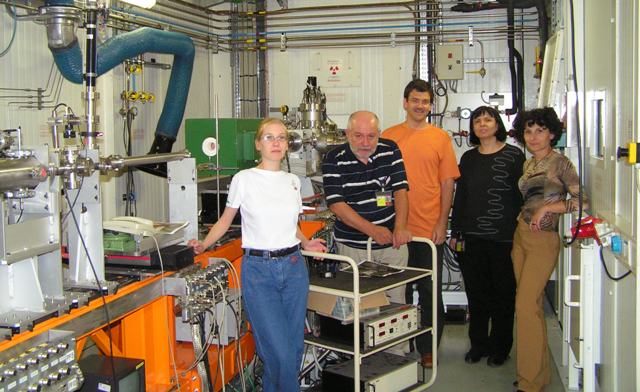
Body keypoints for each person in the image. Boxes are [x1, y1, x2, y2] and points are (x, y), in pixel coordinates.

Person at [188, 118, 326, 392]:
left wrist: (306, 243)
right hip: (260, 271)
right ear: (257, 144)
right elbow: (226, 221)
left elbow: (291, 225)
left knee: (293, 349)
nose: (276, 143)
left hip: (294, 267)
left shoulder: (292, 182)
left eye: (281, 138)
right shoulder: (244, 179)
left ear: (287, 145)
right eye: (269, 137)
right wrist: (205, 244)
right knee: (279, 352)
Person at [383, 79, 460, 368]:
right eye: (415, 100)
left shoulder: (440, 137)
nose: (420, 105)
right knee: (395, 291)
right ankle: (395, 346)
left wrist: (443, 222)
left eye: (425, 101)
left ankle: (429, 349)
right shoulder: (389, 136)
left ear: (430, 105)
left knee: (429, 292)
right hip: (394, 230)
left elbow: (447, 182)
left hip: (428, 230)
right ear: (405, 102)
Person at [511, 107, 585, 392]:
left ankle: (529, 383)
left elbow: (582, 201)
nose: (533, 136)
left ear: (552, 133)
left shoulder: (560, 163)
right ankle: (537, 375)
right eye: (528, 131)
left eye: (540, 130)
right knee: (532, 308)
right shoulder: (528, 164)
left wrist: (550, 207)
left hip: (543, 240)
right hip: (521, 236)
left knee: (524, 306)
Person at [450, 106, 525, 367]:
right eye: (477, 120)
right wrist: (455, 231)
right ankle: (478, 344)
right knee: (477, 295)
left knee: (504, 296)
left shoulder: (515, 156)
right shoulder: (468, 159)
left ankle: (500, 348)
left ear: (497, 124)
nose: (482, 124)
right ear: (472, 127)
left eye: (488, 119)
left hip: (505, 238)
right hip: (472, 238)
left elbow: (521, 198)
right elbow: (461, 197)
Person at [322, 110, 412, 308]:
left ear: (378, 133)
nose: (365, 142)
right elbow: (337, 205)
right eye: (358, 136)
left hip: (392, 246)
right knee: (357, 306)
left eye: (371, 136)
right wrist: (372, 231)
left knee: (395, 305)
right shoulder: (334, 158)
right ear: (347, 133)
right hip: (353, 249)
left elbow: (400, 191)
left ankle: (397, 341)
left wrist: (400, 227)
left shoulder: (390, 150)